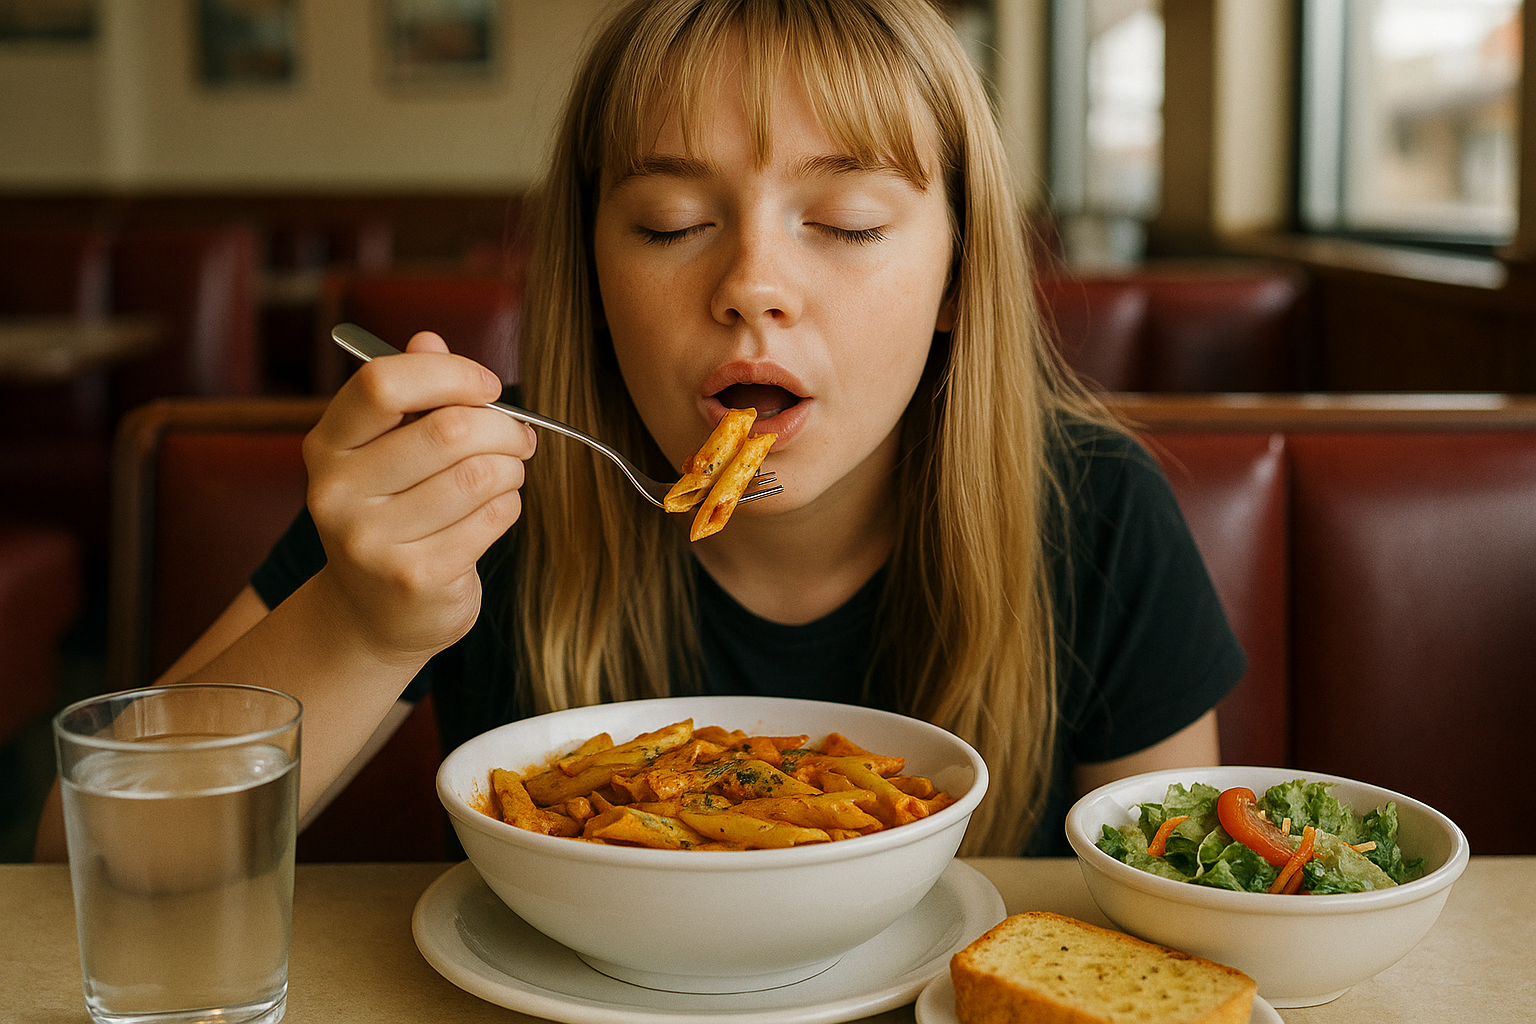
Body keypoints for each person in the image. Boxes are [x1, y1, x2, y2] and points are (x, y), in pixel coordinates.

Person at [36, 0, 1242, 861]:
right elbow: (92, 851)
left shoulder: (1092, 512)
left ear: (959, 277)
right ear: (594, 275)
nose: (753, 282)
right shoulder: (478, 488)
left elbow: (1173, 921)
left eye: (850, 220)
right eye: (669, 224)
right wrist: (365, 619)